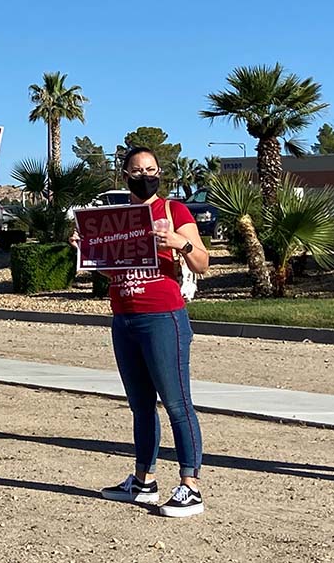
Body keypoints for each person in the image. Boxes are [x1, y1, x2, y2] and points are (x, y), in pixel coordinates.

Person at [78, 146, 210, 517]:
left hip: (163, 316)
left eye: (151, 169)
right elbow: (116, 270)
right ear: (124, 175)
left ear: (160, 173)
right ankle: (143, 481)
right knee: (140, 405)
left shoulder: (173, 211)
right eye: (137, 170)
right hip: (124, 317)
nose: (144, 175)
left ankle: (190, 486)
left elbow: (202, 262)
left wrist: (179, 244)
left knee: (177, 403)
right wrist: (88, 255)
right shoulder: (116, 218)